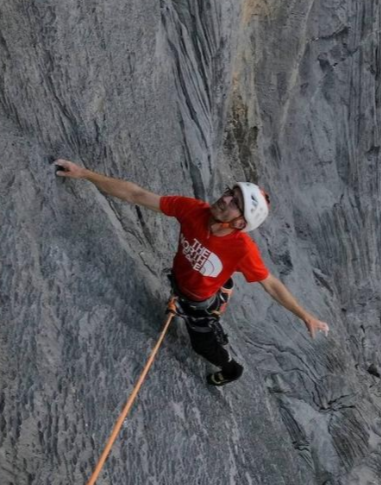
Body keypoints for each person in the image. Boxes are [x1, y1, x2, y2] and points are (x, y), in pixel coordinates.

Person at [54, 159, 329, 386]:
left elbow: (270, 284)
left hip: (197, 298)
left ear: (241, 222)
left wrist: (305, 315)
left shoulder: (242, 248)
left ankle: (231, 368)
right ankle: (221, 289)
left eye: (234, 203)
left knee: (201, 344)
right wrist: (84, 174)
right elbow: (136, 195)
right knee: (198, 283)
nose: (224, 199)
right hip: (184, 279)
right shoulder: (194, 210)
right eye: (229, 193)